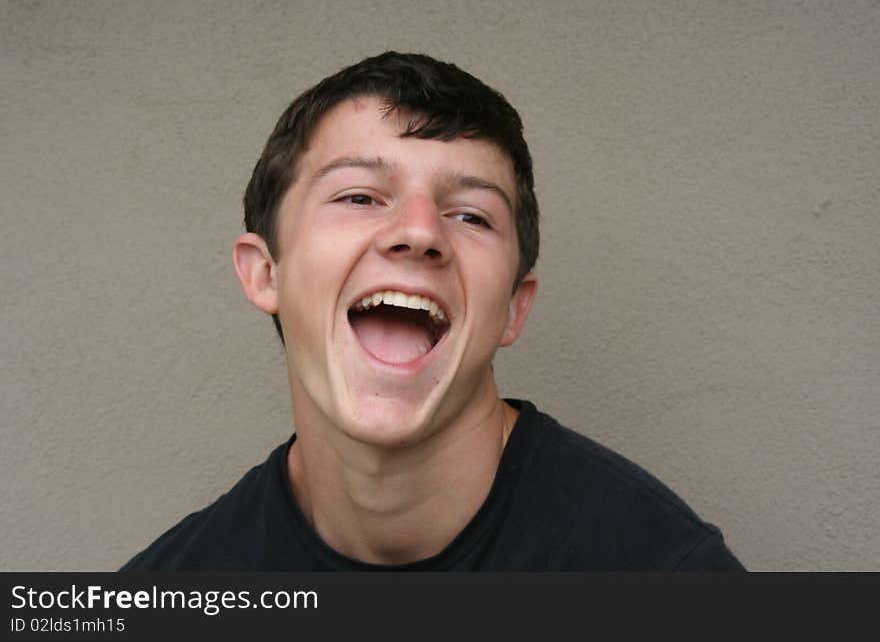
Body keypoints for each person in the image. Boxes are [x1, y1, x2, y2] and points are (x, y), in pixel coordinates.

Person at [121, 52, 743, 570]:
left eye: (470, 215)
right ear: (265, 273)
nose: (419, 232)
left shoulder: (663, 573)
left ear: (512, 309)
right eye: (360, 196)